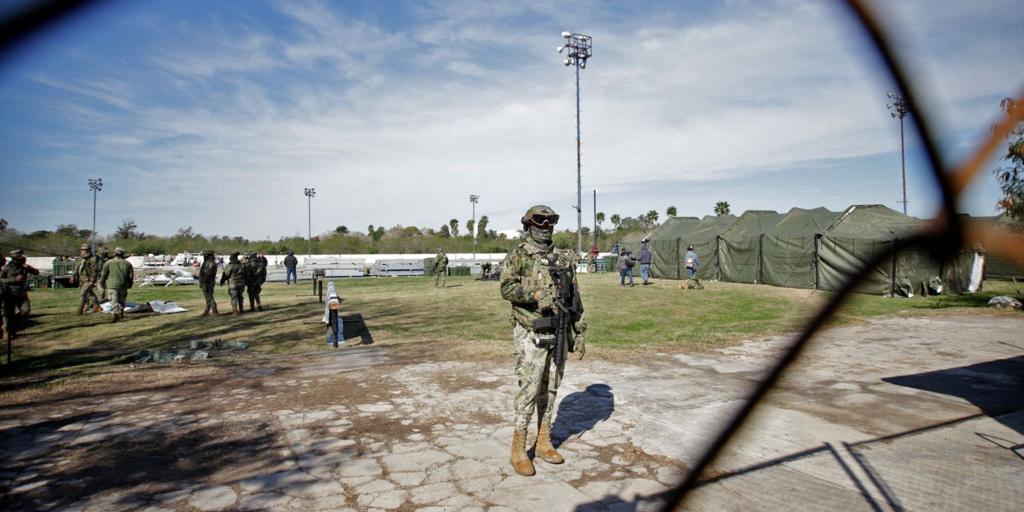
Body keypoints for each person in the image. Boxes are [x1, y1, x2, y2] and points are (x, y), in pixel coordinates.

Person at [499, 205, 587, 477]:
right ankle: (518, 449)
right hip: (531, 332)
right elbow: (506, 287)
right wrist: (536, 295)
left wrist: (580, 329)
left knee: (550, 388)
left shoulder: (561, 258)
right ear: (528, 224)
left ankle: (544, 442)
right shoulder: (519, 255)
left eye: (550, 221)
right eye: (539, 220)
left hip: (559, 332)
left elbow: (574, 296)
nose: (545, 225)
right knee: (529, 388)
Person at [1, 249, 39, 337]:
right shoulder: (7, 268)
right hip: (9, 294)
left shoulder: (24, 266)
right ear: (15, 257)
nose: (23, 257)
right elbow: (1, 279)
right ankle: (9, 332)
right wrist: (14, 280)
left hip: (22, 293)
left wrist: (29, 267)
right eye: (20, 256)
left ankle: (12, 324)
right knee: (9, 313)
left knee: (26, 310)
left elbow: (36, 272)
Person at [99, 247, 134, 323]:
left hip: (112, 285)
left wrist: (102, 283)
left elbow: (103, 275)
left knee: (114, 301)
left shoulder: (108, 262)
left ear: (114, 253)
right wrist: (130, 284)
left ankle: (115, 315)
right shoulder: (128, 263)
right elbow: (131, 276)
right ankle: (121, 314)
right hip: (123, 285)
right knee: (122, 301)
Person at [73, 244, 103, 315]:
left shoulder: (93, 259)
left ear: (88, 251)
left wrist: (92, 281)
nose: (82, 251)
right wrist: (74, 276)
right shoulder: (81, 258)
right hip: (82, 279)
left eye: (84, 250)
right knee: (89, 293)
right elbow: (77, 268)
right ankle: (97, 306)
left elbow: (94, 271)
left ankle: (80, 309)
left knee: (83, 293)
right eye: (81, 250)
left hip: (88, 280)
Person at [198, 249, 219, 316]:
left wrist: (202, 282)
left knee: (209, 297)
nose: (204, 256)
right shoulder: (210, 262)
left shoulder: (209, 263)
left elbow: (207, 274)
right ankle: (207, 311)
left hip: (207, 283)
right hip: (209, 282)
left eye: (204, 255)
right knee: (208, 297)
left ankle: (215, 311)